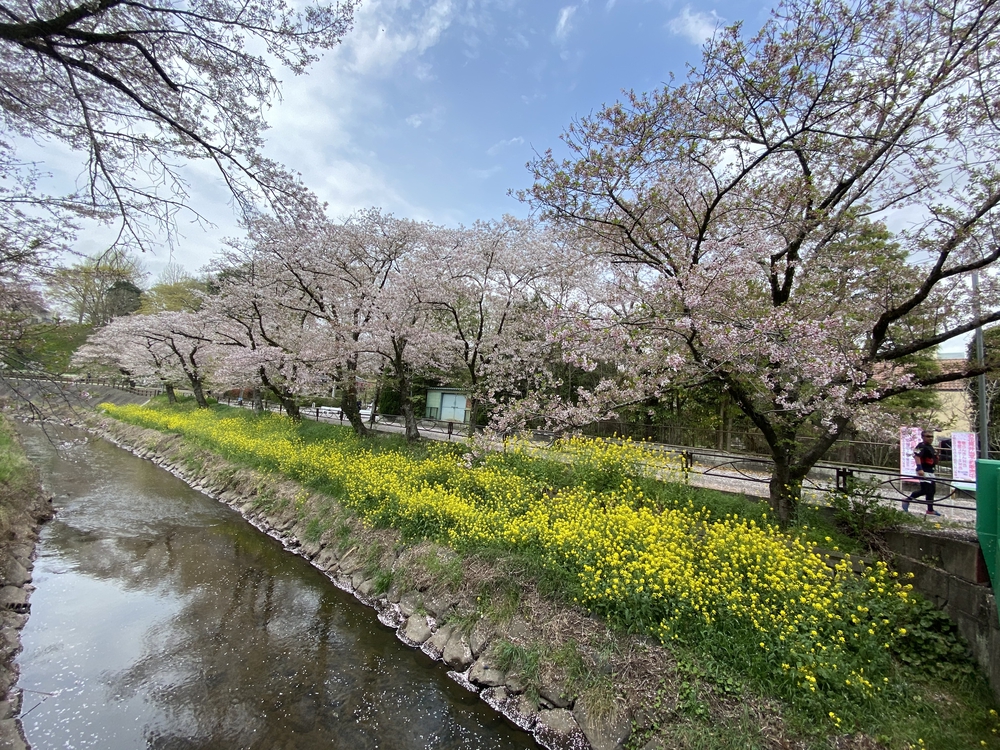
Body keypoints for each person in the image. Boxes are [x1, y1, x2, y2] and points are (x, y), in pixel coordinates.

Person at [903, 429, 941, 516]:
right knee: (926, 490)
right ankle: (908, 499)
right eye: (928, 436)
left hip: (930, 470)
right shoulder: (921, 446)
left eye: (931, 436)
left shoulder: (930, 447)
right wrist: (919, 468)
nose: (930, 438)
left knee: (931, 491)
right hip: (924, 470)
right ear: (923, 437)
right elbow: (917, 456)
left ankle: (930, 510)